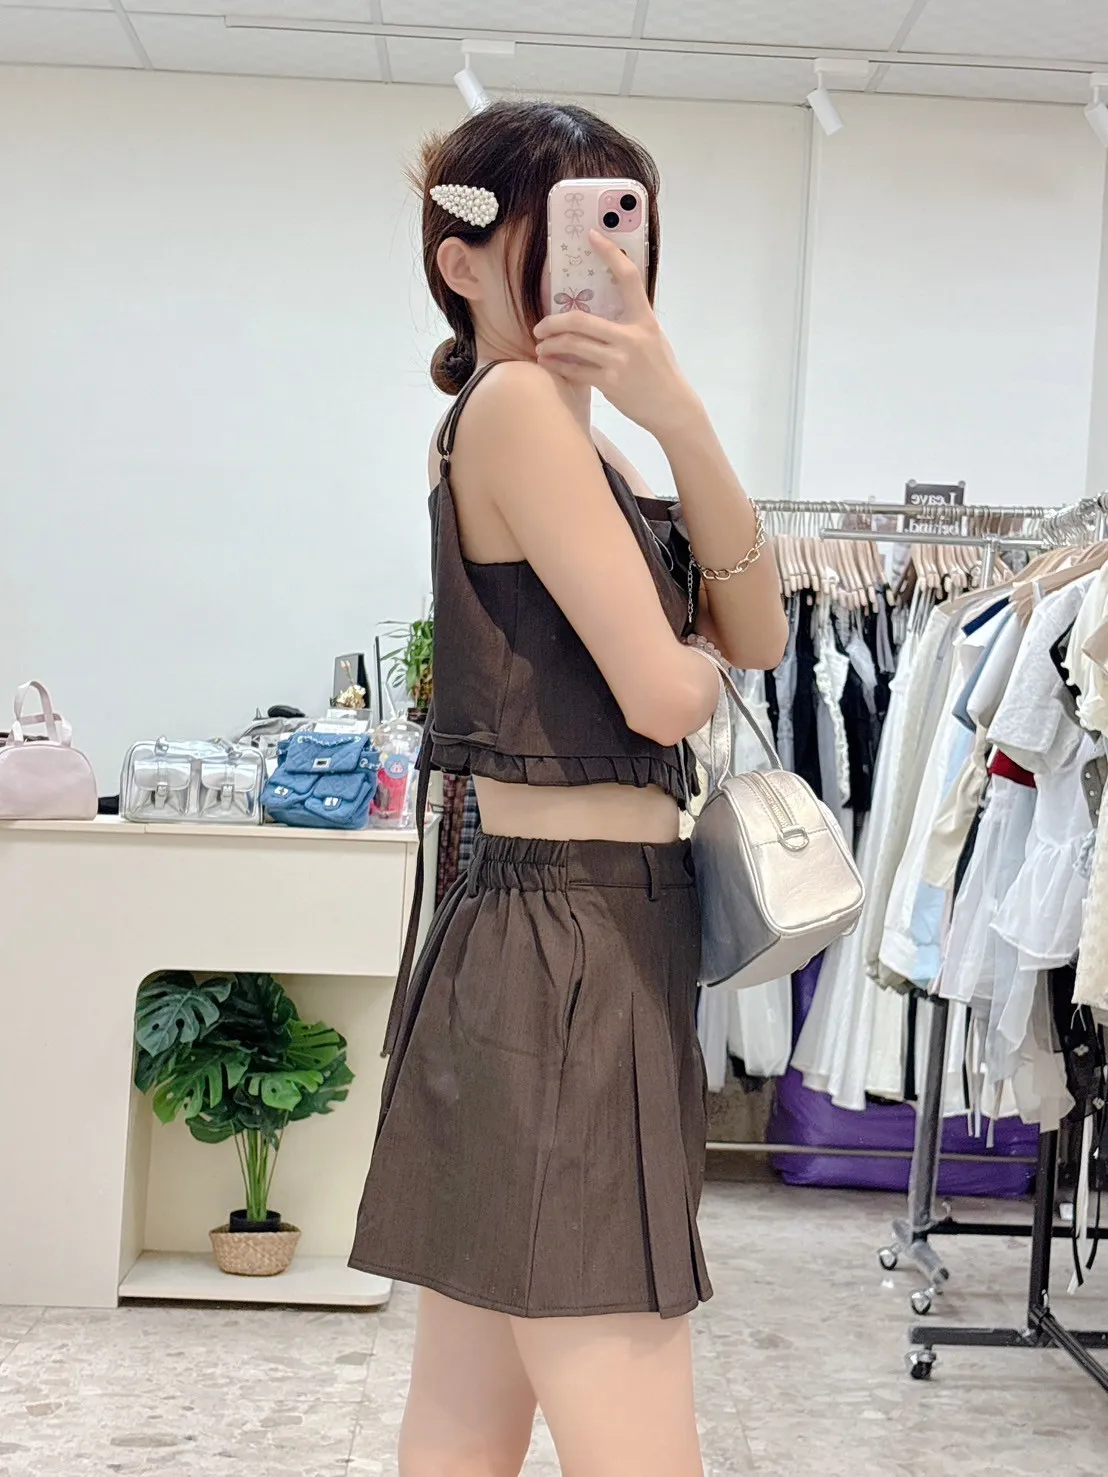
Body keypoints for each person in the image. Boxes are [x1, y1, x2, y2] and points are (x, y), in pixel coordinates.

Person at [350, 99, 787, 1477]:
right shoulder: (521, 410)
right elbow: (672, 690)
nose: (597, 261)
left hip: (549, 930)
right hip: (572, 942)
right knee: (626, 1406)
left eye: (620, 229)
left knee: (472, 1393)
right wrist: (692, 657)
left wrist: (678, 414)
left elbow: (758, 636)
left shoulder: (586, 441)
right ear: (463, 259)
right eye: (562, 227)